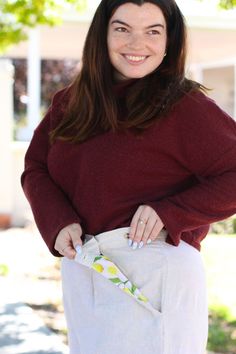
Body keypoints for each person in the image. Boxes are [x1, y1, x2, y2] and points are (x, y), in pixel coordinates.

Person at [21, 0, 236, 353]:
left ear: (170, 41)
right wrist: (57, 221)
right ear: (102, 36)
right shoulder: (71, 103)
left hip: (154, 273)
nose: (137, 44)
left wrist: (173, 211)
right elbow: (36, 168)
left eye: (153, 31)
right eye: (122, 29)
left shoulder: (183, 105)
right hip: (84, 269)